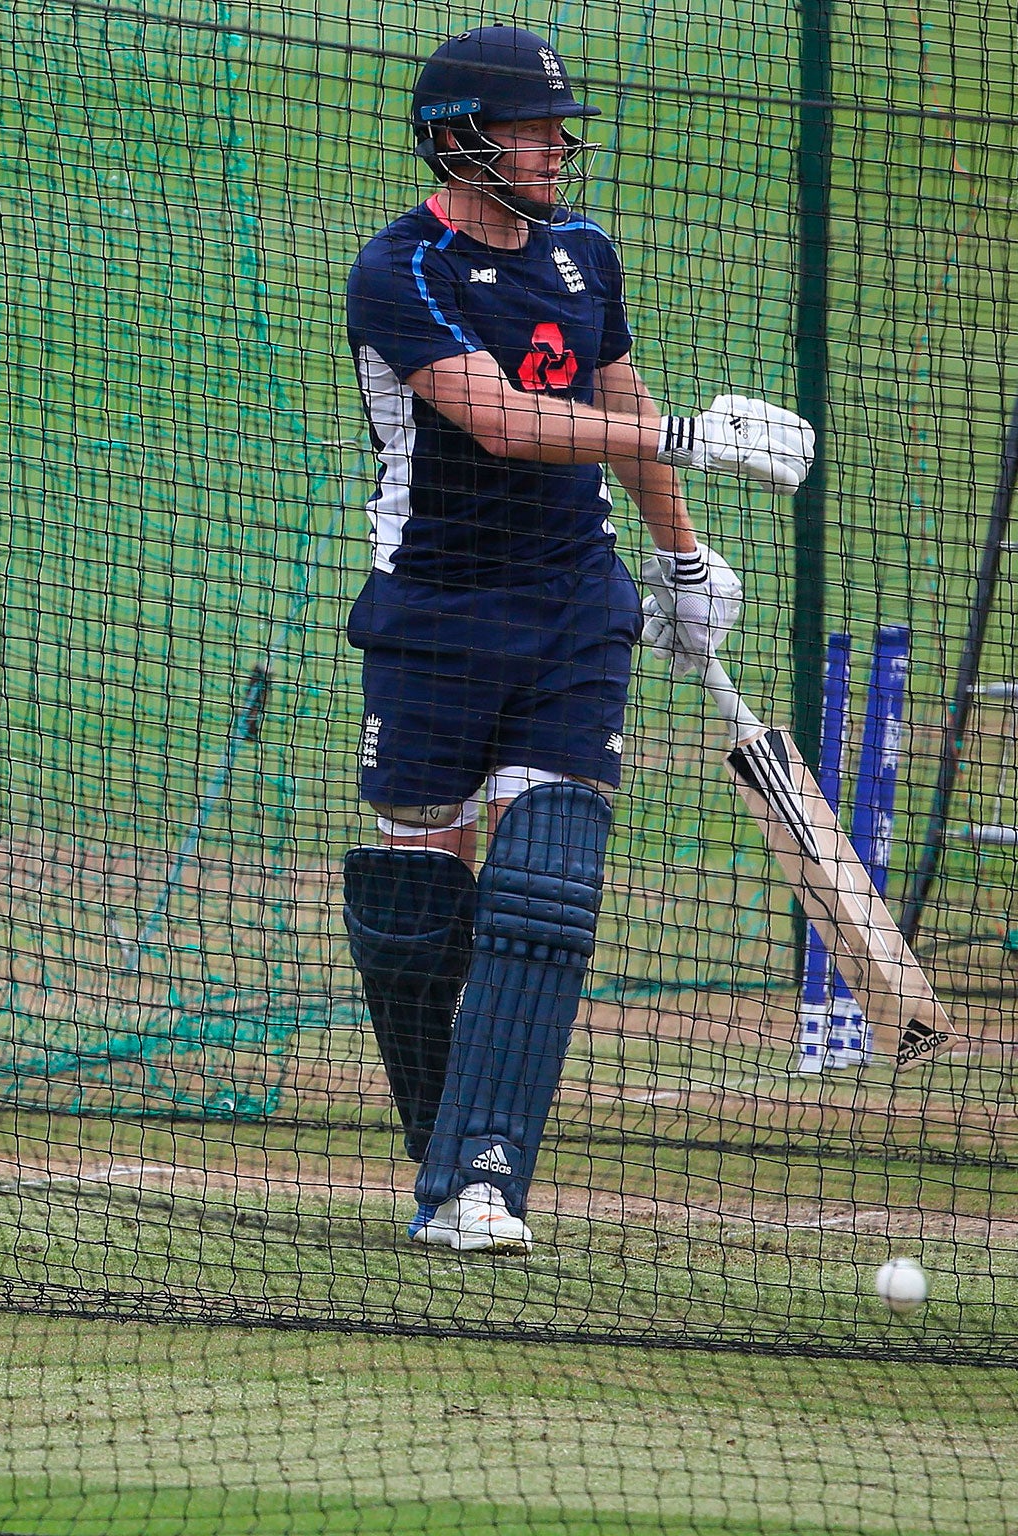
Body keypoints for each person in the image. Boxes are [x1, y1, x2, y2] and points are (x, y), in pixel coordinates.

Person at [340, 27, 813, 1253]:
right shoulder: (401, 271)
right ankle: (441, 1161)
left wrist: (680, 556)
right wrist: (682, 446)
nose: (558, 146)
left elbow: (619, 399)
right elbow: (494, 421)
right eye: (532, 127)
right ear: (459, 138)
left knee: (546, 886)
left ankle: (484, 1177)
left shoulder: (581, 254)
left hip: (570, 611)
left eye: (560, 127)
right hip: (435, 618)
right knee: (413, 906)